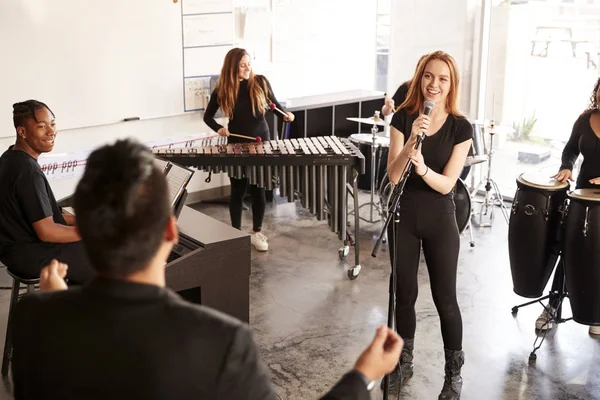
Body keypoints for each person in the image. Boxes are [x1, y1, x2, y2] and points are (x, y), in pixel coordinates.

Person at [11, 138, 403, 400]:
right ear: (169, 229)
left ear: (85, 231)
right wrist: (363, 374)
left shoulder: (34, 317)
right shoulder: (222, 342)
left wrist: (57, 307)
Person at [385, 51, 473, 400]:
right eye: (428, 77)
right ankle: (403, 361)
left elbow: (449, 184)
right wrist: (409, 145)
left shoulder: (461, 127)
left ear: (451, 85)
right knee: (403, 294)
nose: (434, 84)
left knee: (445, 299)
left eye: (443, 79)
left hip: (439, 218)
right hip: (404, 215)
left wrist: (422, 168)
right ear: (419, 78)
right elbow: (393, 176)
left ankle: (454, 375)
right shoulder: (403, 118)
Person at [203, 48, 295, 252]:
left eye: (249, 64)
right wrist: (219, 129)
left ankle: (256, 232)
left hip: (261, 141)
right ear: (232, 66)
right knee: (237, 189)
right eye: (243, 65)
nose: (247, 68)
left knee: (258, 188)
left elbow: (276, 107)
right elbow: (207, 117)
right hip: (236, 142)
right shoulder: (223, 88)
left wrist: (286, 115)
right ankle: (235, 233)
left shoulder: (260, 82)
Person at [0, 100, 94, 284]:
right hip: (29, 256)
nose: (51, 132)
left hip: (11, 252)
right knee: (105, 252)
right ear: (23, 132)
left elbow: (49, 216)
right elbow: (48, 232)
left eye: (53, 124)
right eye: (42, 126)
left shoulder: (9, 157)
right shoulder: (27, 171)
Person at [537, 76, 600, 336]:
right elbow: (571, 150)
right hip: (582, 198)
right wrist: (566, 167)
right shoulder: (585, 118)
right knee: (568, 249)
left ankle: (597, 313)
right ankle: (553, 306)